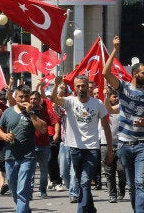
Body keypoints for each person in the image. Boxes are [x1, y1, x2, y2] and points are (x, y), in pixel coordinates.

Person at [102, 36, 144, 213]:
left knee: (140, 182)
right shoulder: (124, 88)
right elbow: (105, 73)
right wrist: (114, 49)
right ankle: (137, 209)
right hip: (124, 145)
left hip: (143, 146)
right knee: (132, 185)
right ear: (135, 74)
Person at [51, 75, 112, 213]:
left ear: (88, 87)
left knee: (84, 182)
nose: (80, 89)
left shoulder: (98, 104)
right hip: (74, 149)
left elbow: (106, 126)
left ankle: (81, 210)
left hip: (91, 149)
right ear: (74, 88)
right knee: (82, 183)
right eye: (78, 86)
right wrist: (55, 85)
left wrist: (109, 149)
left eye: (83, 86)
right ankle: (90, 208)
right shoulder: (70, 102)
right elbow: (54, 99)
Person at [0, 84, 48, 213]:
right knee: (13, 189)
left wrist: (31, 113)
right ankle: (24, 209)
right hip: (10, 156)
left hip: (28, 157)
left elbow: (43, 128)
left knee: (22, 189)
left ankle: (21, 210)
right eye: (21, 97)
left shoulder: (34, 112)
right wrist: (4, 136)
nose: (23, 100)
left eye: (26, 97)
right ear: (15, 97)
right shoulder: (8, 111)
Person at [29, 91, 57, 199]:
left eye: (35, 99)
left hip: (44, 145)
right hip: (31, 145)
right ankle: (30, 191)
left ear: (40, 99)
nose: (32, 101)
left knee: (43, 170)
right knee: (30, 170)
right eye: (31, 99)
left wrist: (56, 134)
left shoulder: (45, 111)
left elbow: (55, 122)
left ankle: (43, 190)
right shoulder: (27, 112)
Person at [101, 89, 126, 203]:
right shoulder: (103, 109)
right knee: (109, 172)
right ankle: (112, 195)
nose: (116, 99)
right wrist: (105, 95)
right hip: (106, 144)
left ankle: (121, 190)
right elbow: (106, 108)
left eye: (117, 96)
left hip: (120, 144)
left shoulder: (121, 108)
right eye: (113, 96)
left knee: (121, 170)